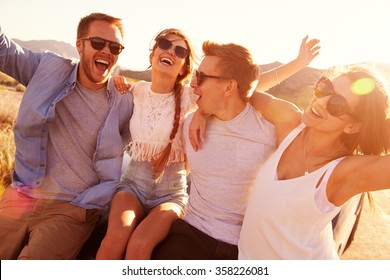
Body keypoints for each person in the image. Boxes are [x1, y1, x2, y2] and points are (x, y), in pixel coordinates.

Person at [151, 36, 320, 260]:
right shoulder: (190, 124)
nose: (193, 83)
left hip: (246, 248)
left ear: (230, 86)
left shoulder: (271, 128)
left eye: (201, 77)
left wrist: (297, 64)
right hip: (190, 235)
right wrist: (202, 110)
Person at [0, 13, 133, 260]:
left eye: (115, 47)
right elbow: (4, 51)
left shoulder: (124, 100)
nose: (107, 51)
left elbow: (167, 106)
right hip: (23, 194)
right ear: (80, 45)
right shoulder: (48, 68)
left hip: (71, 209)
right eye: (98, 43)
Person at [238, 65, 390, 259]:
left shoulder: (342, 172)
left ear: (352, 126)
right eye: (325, 88)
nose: (321, 101)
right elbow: (242, 90)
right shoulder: (289, 122)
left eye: (337, 104)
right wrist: (202, 113)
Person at [96, 28, 197, 260]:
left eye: (179, 50)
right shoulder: (135, 91)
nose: (171, 51)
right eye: (164, 44)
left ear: (183, 66)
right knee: (115, 238)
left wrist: (297, 63)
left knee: (140, 245)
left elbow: (240, 89)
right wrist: (115, 82)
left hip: (171, 195)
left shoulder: (191, 98)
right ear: (152, 56)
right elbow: (94, 84)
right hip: (133, 186)